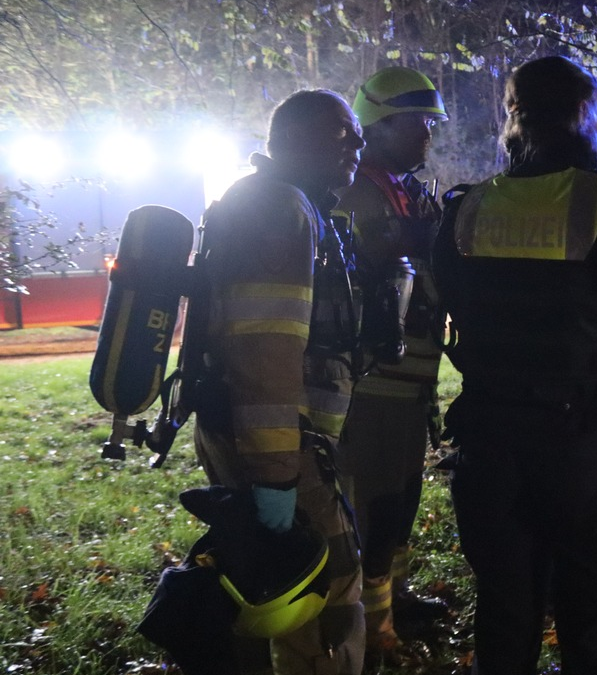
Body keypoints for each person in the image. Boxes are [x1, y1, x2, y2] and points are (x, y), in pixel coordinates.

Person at [431, 55, 597, 674]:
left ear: (512, 118)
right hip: (590, 449)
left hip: (489, 441)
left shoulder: (466, 210)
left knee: (503, 619)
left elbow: (452, 307)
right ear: (586, 116)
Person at [191, 89, 366, 674]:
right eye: (344, 133)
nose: (359, 143)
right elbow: (265, 350)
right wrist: (277, 478)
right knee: (322, 595)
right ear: (296, 140)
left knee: (259, 581)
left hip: (263, 434)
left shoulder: (275, 203)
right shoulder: (278, 209)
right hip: (282, 443)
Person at [335, 66, 449, 661]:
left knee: (401, 498)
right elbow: (368, 267)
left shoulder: (400, 189)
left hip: (410, 385)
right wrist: (417, 238)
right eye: (418, 122)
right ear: (377, 125)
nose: (429, 134)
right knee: (377, 505)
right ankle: (374, 631)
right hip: (375, 386)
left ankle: (393, 601)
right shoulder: (358, 192)